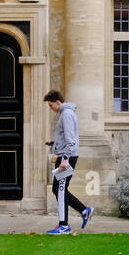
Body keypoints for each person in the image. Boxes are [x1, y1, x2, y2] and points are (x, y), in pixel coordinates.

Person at [44, 91, 93, 234]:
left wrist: (64, 160)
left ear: (58, 102)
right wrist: (55, 143)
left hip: (67, 158)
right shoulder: (66, 113)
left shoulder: (66, 114)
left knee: (60, 190)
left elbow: (71, 140)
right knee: (58, 189)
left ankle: (64, 225)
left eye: (51, 105)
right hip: (65, 156)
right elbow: (67, 137)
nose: (50, 108)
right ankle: (84, 210)